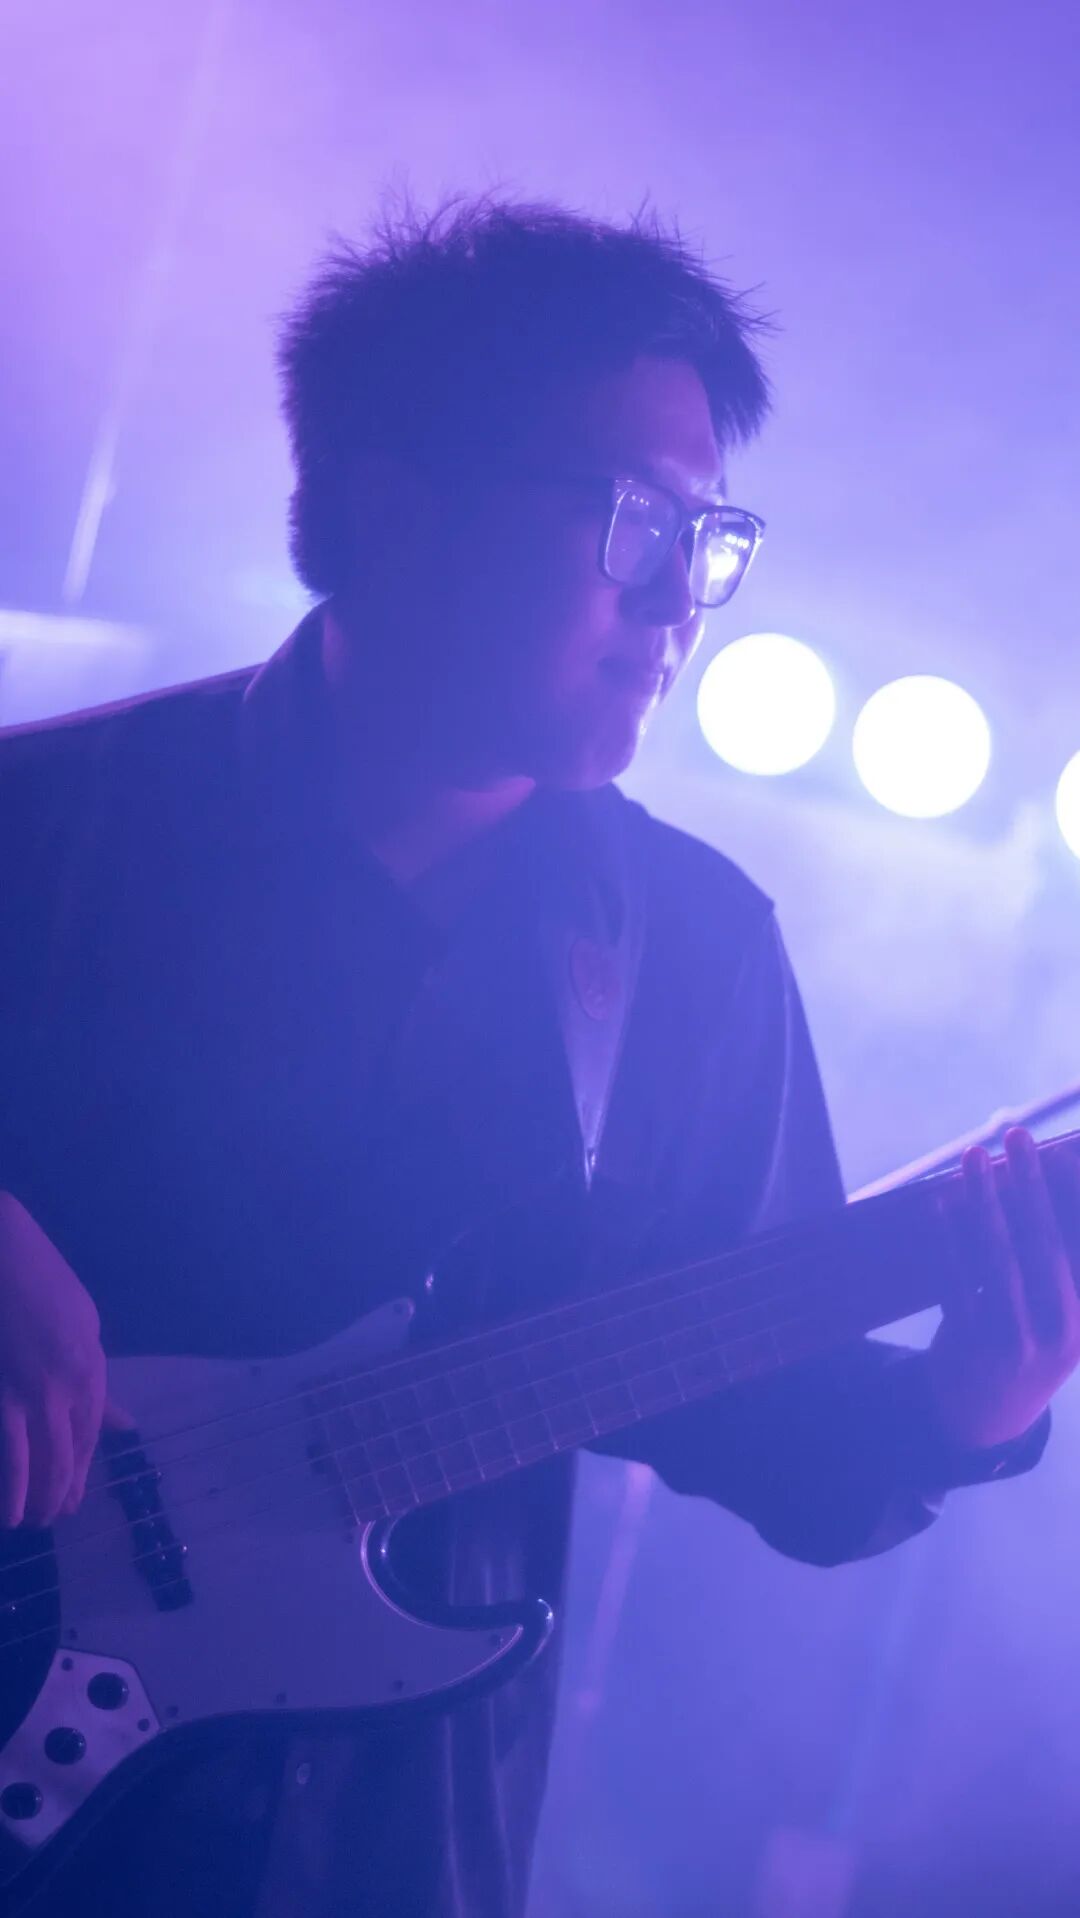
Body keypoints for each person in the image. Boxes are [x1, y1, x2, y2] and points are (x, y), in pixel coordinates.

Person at [1, 197, 1078, 1918]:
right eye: (635, 519)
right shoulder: (46, 824)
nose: (679, 602)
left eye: (709, 537)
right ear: (388, 506)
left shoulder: (697, 955)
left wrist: (972, 1397)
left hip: (379, 1853)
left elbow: (763, 1419)